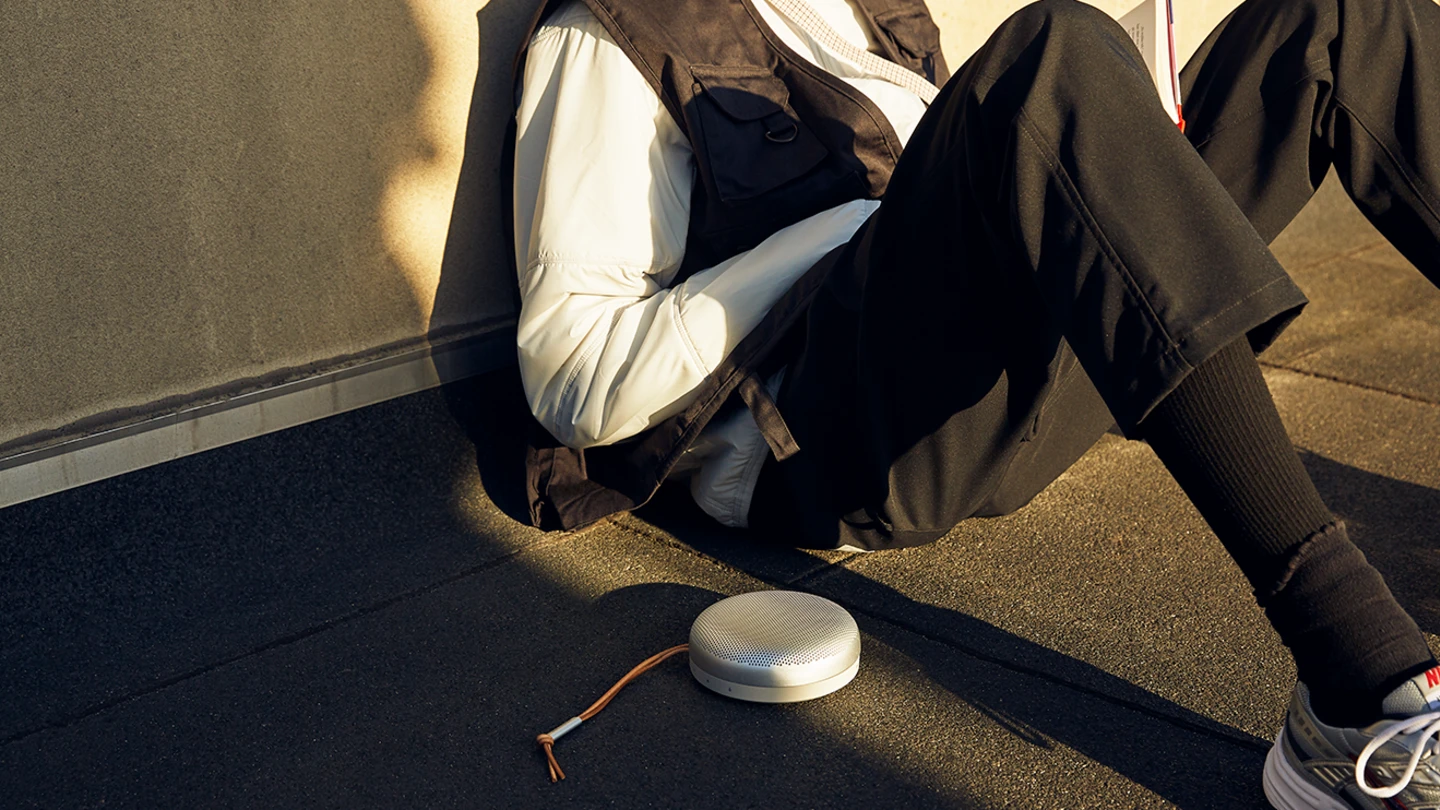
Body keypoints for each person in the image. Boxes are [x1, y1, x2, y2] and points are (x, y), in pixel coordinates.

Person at [506, 0, 1440, 804]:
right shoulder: (610, 36)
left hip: (994, 377)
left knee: (1345, 20)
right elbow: (573, 375)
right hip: (836, 445)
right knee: (1049, 51)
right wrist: (851, 224)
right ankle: (1357, 687)